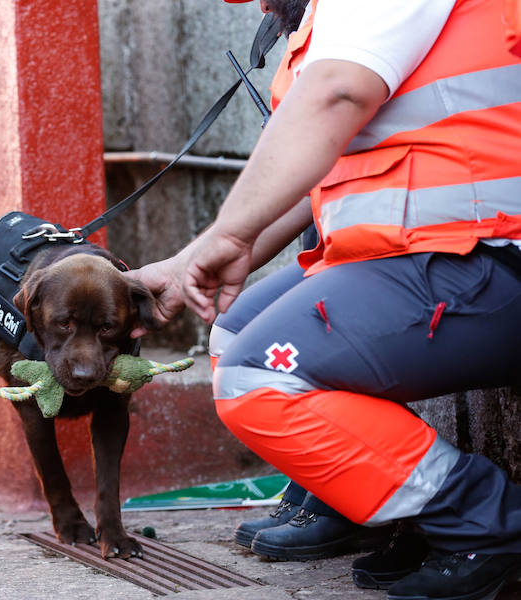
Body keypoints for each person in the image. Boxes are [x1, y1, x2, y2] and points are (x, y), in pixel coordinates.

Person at [126, 0, 521, 598]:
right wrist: (188, 267)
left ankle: (487, 523)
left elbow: (337, 94)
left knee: (253, 376)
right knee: (234, 330)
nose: (258, 5)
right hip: (434, 254)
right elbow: (313, 172)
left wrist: (229, 234)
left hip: (489, 255)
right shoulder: (331, 20)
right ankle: (391, 505)